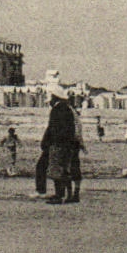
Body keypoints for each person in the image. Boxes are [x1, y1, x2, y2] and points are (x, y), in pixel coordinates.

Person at [41, 74, 82, 204]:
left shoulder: (57, 110)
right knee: (65, 169)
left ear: (54, 97)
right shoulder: (68, 109)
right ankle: (68, 195)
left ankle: (59, 195)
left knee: (56, 170)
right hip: (68, 144)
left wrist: (47, 142)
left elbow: (52, 128)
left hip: (58, 144)